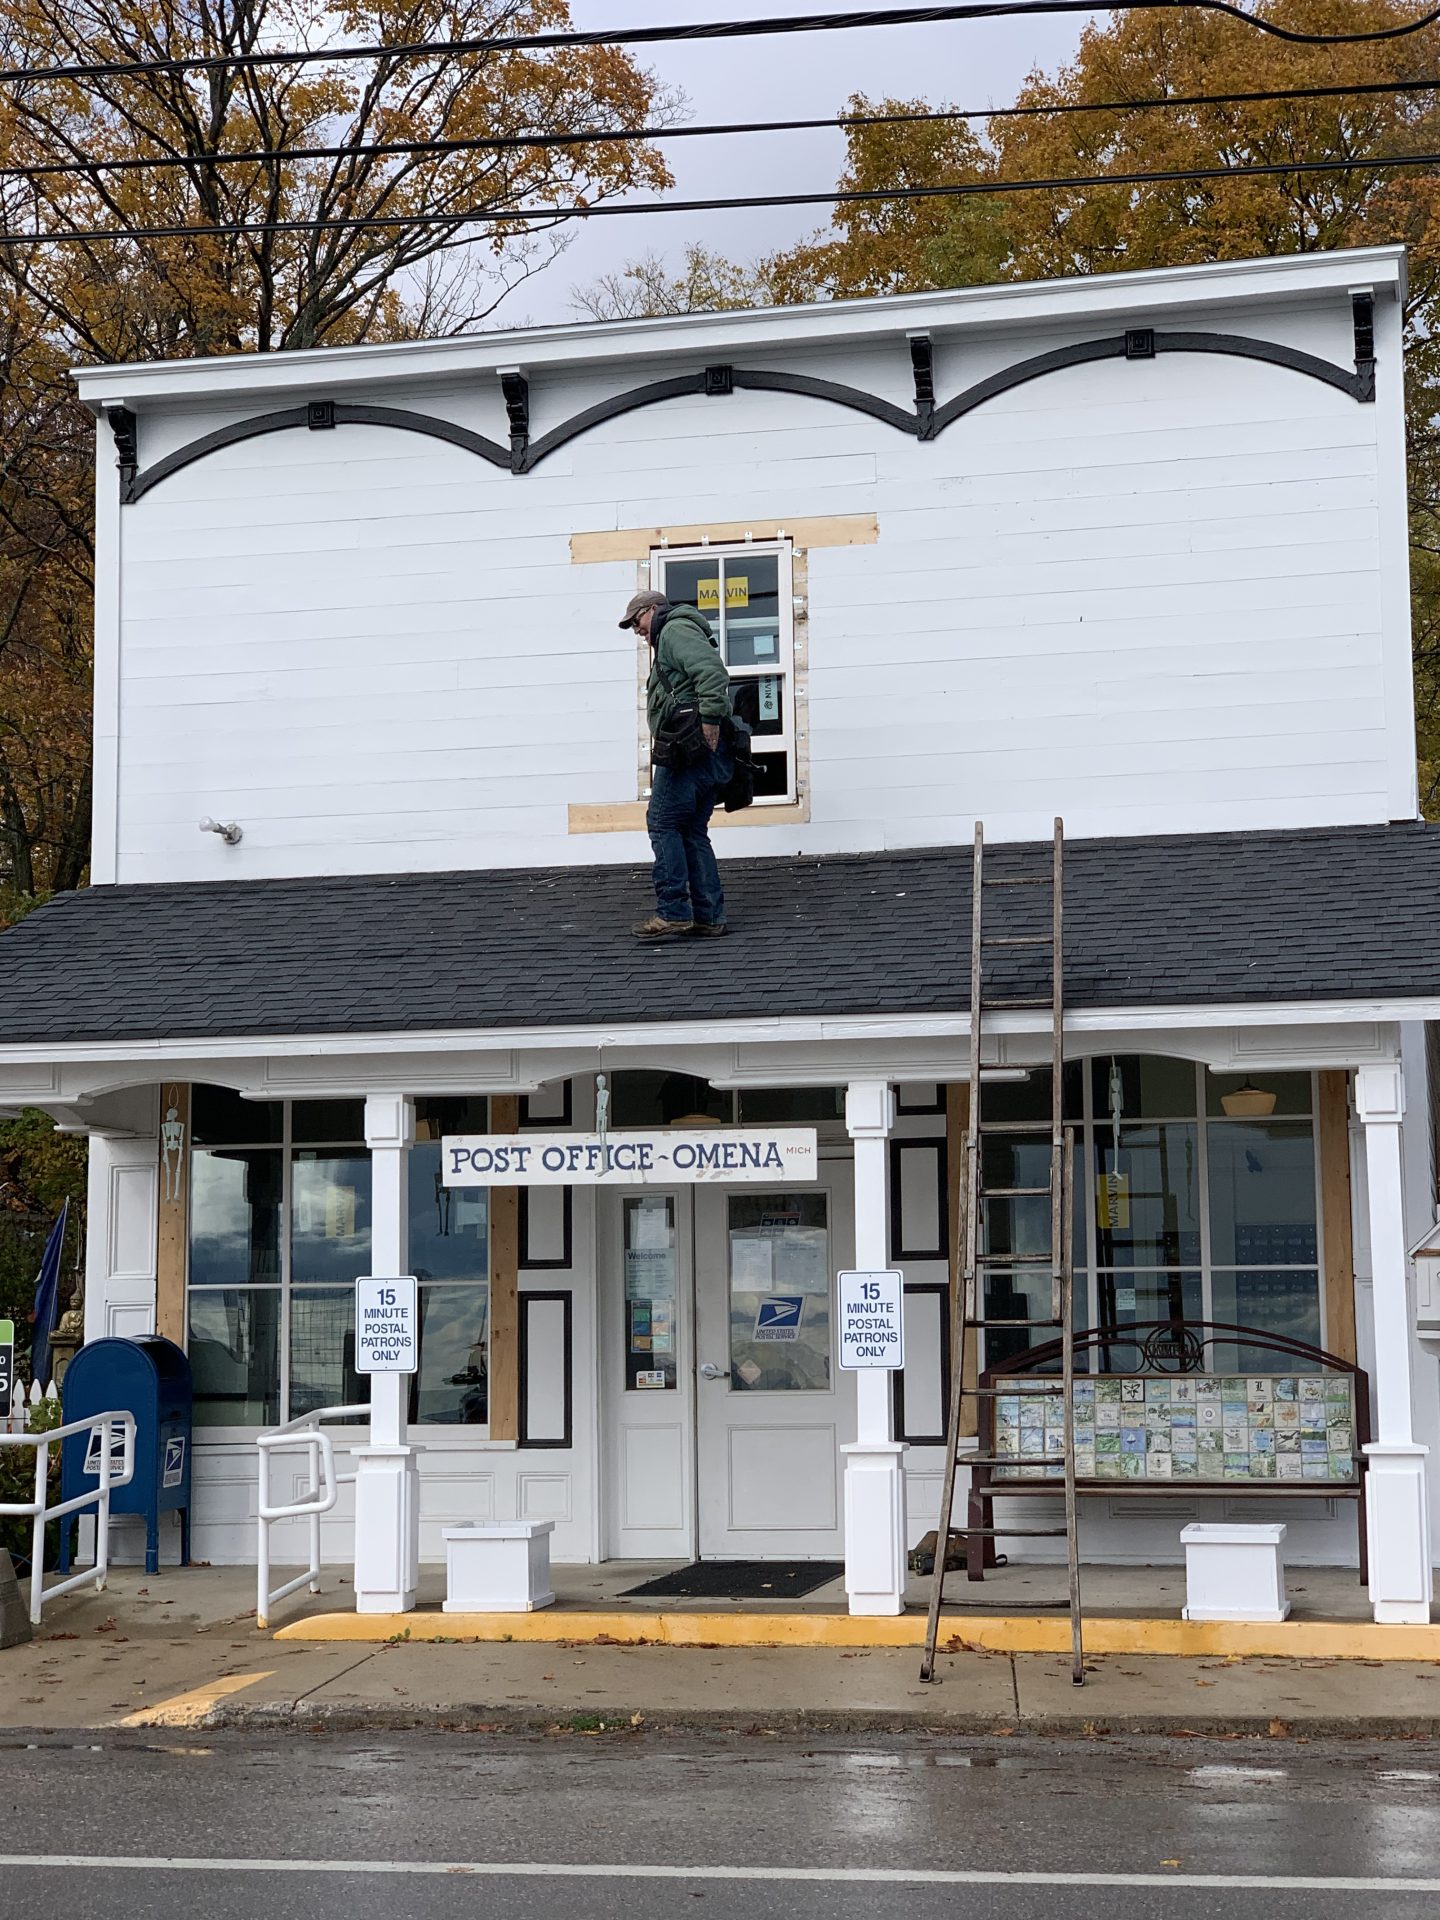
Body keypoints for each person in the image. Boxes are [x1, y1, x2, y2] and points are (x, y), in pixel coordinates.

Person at [619, 587, 733, 940]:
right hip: (705, 748)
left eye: (636, 622)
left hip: (690, 748)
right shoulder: (678, 631)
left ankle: (673, 912)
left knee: (662, 821)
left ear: (653, 610)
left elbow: (712, 674)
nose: (637, 631)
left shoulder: (674, 631)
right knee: (691, 830)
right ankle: (709, 916)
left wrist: (710, 724)